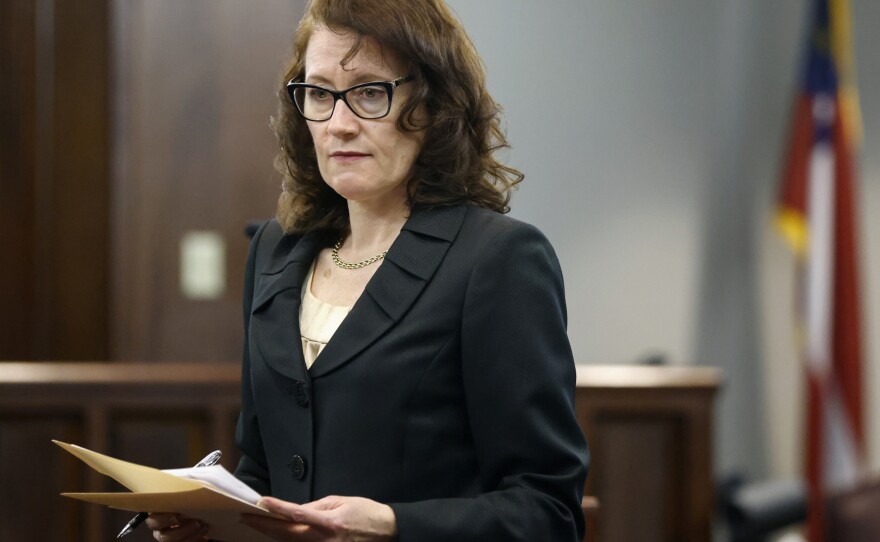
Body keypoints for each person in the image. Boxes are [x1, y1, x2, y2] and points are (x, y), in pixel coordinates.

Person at [147, 0, 588, 540]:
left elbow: (548, 511)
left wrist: (394, 525)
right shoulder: (275, 249)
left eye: (369, 93)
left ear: (433, 106)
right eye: (318, 93)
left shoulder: (499, 260)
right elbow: (262, 467)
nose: (339, 124)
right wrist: (213, 520)